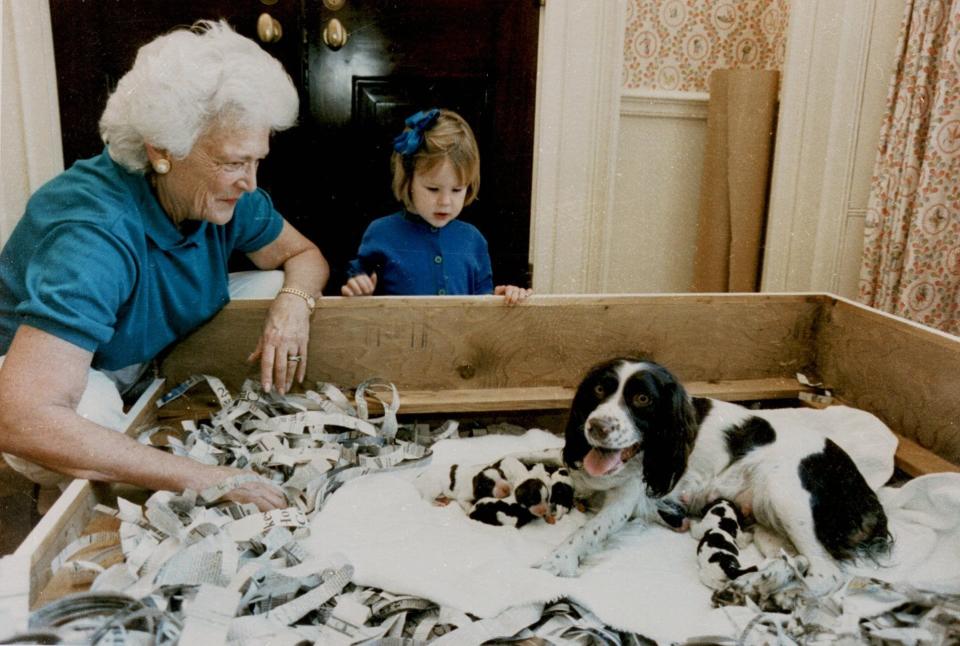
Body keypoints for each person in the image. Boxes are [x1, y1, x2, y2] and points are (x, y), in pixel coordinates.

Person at [0, 21, 328, 512]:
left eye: (257, 160)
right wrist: (206, 477)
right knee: (84, 428)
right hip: (56, 374)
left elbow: (305, 256)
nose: (250, 183)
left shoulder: (224, 193)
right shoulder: (93, 232)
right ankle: (73, 503)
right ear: (161, 152)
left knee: (275, 282)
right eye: (234, 162)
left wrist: (293, 306)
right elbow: (22, 416)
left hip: (134, 345)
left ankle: (132, 425)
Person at [340, 108, 532, 304]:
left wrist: (500, 300)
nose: (445, 202)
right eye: (433, 189)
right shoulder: (380, 232)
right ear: (408, 180)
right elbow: (358, 283)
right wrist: (359, 291)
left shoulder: (474, 240)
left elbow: (482, 307)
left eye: (457, 190)